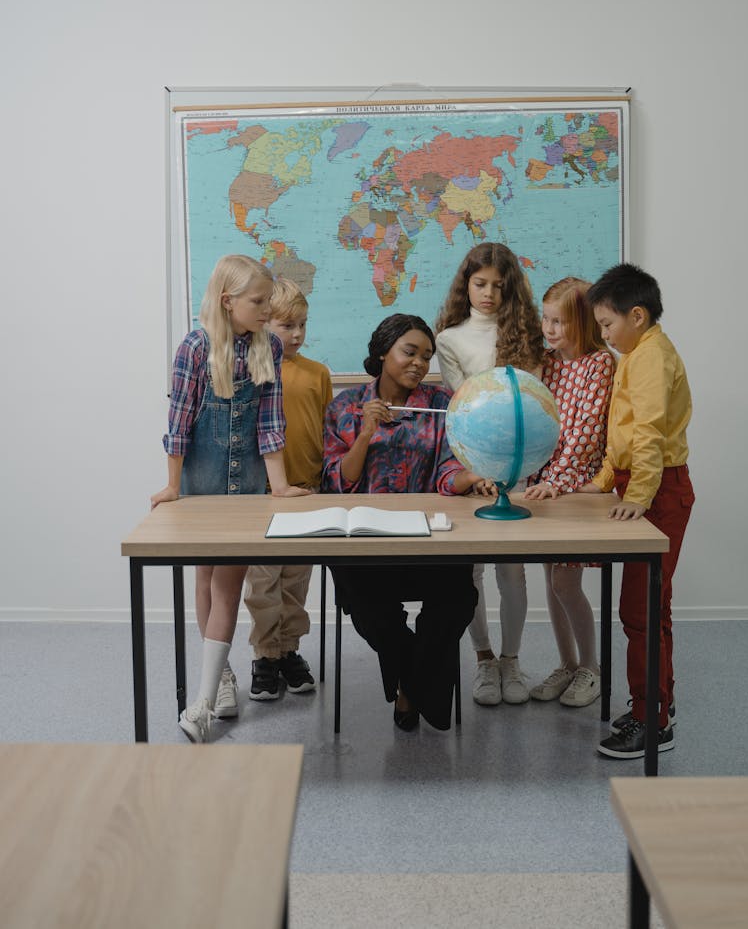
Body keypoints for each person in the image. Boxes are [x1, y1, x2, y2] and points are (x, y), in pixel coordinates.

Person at [151, 255, 309, 744]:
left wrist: (278, 485)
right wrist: (173, 486)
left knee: (228, 585)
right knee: (204, 578)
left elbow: (269, 422)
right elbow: (178, 423)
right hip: (202, 481)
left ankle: (201, 700)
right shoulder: (196, 348)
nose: (266, 309)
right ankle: (217, 678)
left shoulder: (267, 348)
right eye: (258, 301)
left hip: (247, 488)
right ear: (228, 301)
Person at [322, 314, 496, 732]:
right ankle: (418, 684)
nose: (419, 363)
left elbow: (447, 473)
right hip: (365, 545)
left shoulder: (440, 405)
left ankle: (409, 688)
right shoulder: (346, 407)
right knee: (369, 610)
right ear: (383, 351)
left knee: (458, 600)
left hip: (427, 541)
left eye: (427, 356)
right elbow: (338, 482)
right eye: (409, 351)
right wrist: (365, 433)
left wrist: (471, 478)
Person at [580, 263, 694, 759]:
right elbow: (619, 432)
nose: (603, 334)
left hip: (659, 491)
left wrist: (639, 497)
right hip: (640, 484)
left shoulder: (650, 358)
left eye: (607, 324)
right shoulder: (636, 352)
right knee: (647, 608)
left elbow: (647, 433)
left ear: (638, 315)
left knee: (642, 609)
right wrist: (604, 481)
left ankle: (654, 721)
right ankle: (655, 704)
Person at [435, 242, 544, 708]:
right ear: (466, 283)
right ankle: (483, 658)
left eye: (499, 287)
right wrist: (477, 472)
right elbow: (467, 408)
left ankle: (511, 660)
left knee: (512, 572)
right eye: (480, 284)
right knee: (471, 572)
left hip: (520, 464)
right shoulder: (450, 339)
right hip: (472, 461)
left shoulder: (526, 333)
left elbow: (535, 404)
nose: (489, 294)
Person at [522, 277, 615, 707]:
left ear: (582, 322)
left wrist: (555, 484)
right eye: (546, 318)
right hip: (543, 485)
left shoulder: (600, 364)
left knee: (565, 580)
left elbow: (585, 437)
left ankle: (591, 669)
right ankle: (567, 664)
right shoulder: (549, 362)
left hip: (572, 489)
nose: (550, 328)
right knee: (550, 578)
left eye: (559, 321)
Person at [243, 277, 333, 700]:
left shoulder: (318, 373)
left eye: (302, 325)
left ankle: (288, 650)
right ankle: (265, 655)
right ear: (264, 324)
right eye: (286, 325)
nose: (296, 334)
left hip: (307, 491)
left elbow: (328, 431)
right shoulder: (256, 368)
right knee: (263, 582)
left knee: (296, 581)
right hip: (263, 494)